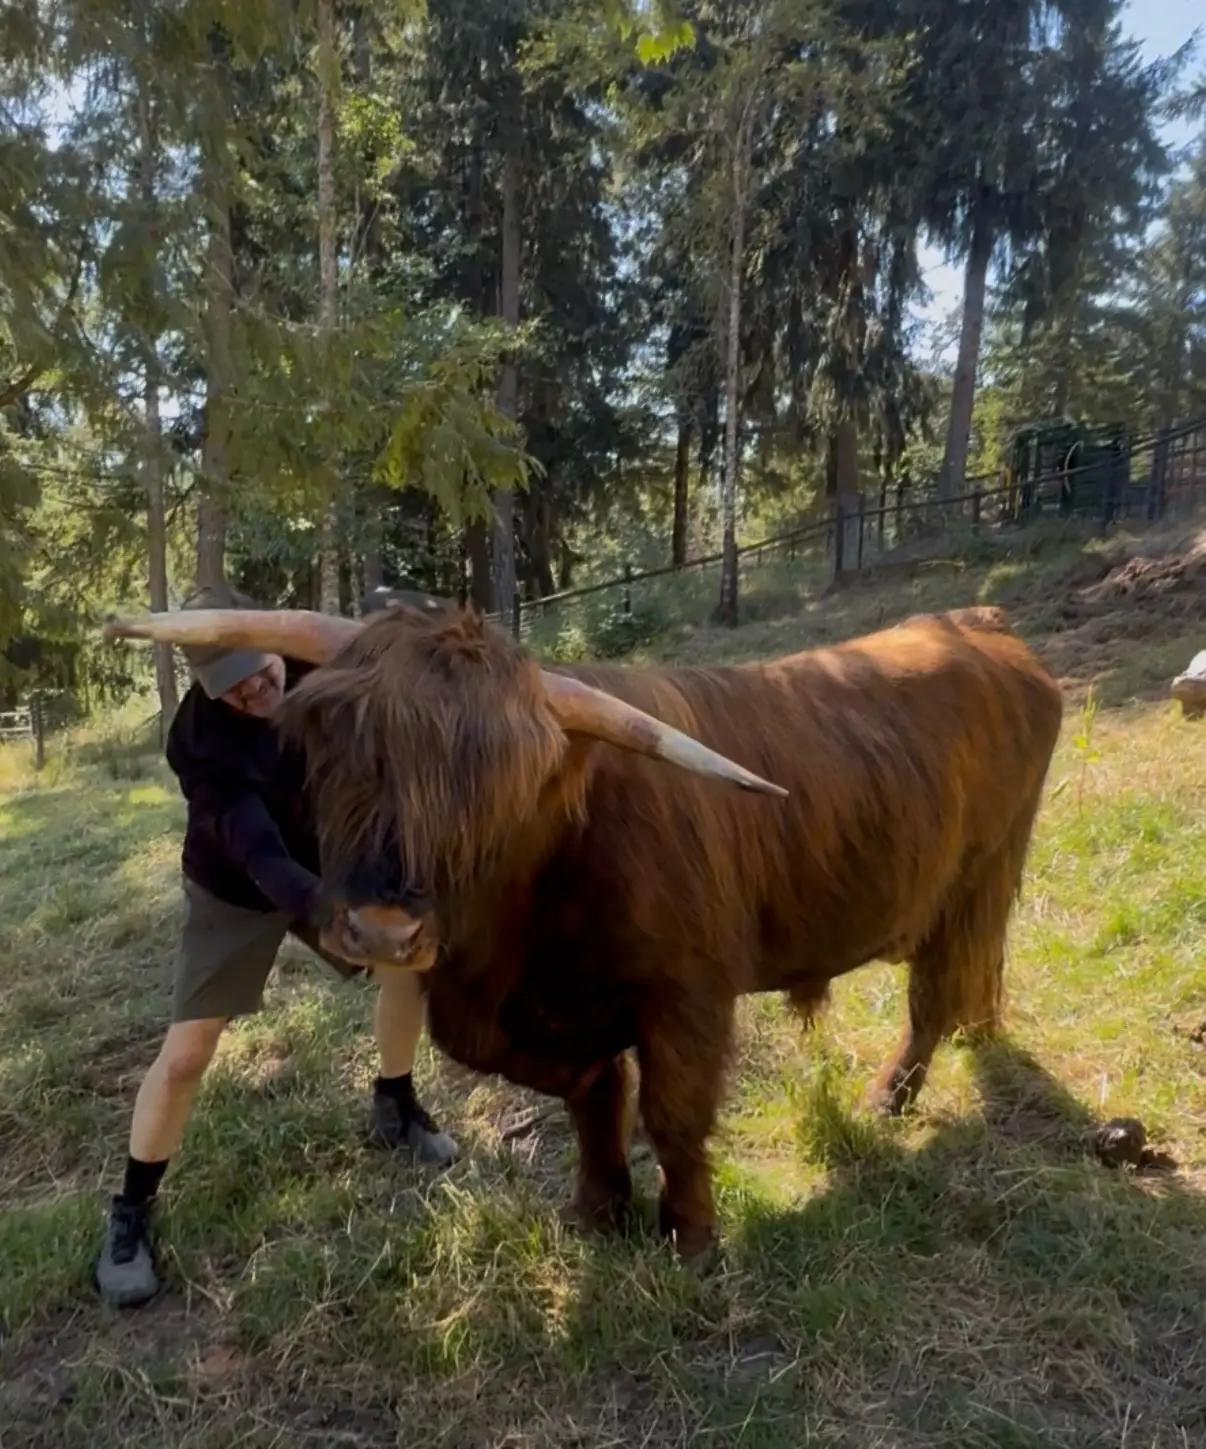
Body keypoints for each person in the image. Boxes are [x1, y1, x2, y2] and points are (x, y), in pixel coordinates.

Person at [94, 583, 457, 1309]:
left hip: (330, 858)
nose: (259, 692)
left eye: (265, 672)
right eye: (236, 690)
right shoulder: (198, 744)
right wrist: (324, 912)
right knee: (190, 1049)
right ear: (207, 691)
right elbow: (254, 848)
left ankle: (393, 1104)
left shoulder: (326, 668)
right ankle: (129, 1212)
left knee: (410, 966)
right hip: (238, 884)